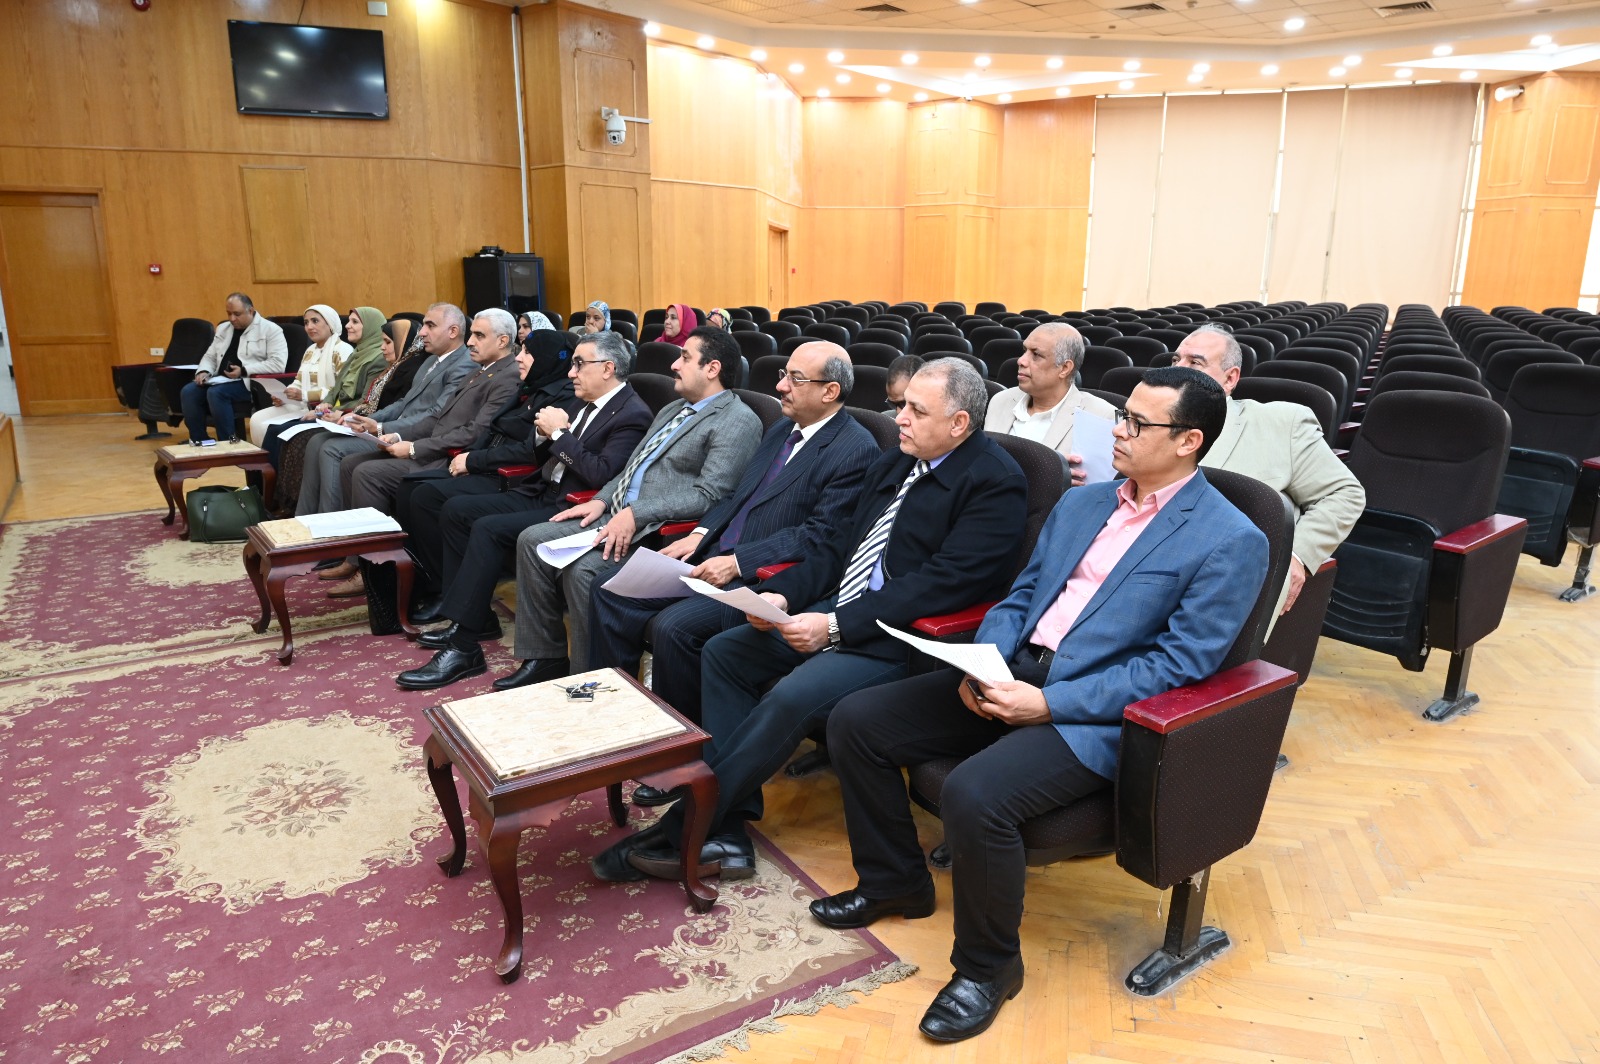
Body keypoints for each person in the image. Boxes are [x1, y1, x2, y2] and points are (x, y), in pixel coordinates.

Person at [814, 367, 1270, 1043]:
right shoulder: (1084, 503)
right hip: (1013, 673)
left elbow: (1175, 668)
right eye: (1122, 415)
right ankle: (894, 882)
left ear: (1188, 441)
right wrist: (985, 663)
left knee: (974, 792)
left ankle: (988, 968)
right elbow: (1021, 596)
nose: (1117, 429)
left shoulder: (1230, 538)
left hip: (1094, 713)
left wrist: (1049, 703)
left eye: (1136, 423)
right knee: (856, 721)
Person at [589, 358, 1028, 887]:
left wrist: (834, 624)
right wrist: (782, 594)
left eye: (916, 410)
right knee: (725, 653)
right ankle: (728, 822)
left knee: (790, 696)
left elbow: (939, 585)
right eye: (902, 406)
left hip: (901, 640)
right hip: (837, 611)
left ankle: (684, 828)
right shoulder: (898, 460)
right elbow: (839, 547)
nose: (900, 418)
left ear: (958, 423)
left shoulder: (995, 482)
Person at [587, 340, 880, 731]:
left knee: (674, 628)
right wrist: (701, 532)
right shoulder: (783, 429)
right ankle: (612, 716)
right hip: (713, 554)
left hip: (758, 578)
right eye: (784, 375)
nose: (780, 386)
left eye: (795, 379)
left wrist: (739, 562)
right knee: (609, 589)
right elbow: (735, 496)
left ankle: (681, 742)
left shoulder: (856, 449)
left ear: (830, 391)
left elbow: (819, 536)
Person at [492, 326, 763, 691]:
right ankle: (545, 657)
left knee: (583, 572)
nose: (674, 364)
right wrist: (602, 499)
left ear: (712, 369)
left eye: (685, 357)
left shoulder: (737, 420)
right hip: (615, 513)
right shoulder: (673, 408)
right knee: (532, 540)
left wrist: (637, 513)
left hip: (655, 530)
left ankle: (591, 679)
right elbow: (630, 468)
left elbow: (711, 495)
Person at [393, 331, 653, 689]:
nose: (572, 373)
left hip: (574, 507)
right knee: (456, 510)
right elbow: (538, 453)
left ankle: (464, 645)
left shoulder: (632, 413)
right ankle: (471, 616)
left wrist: (559, 435)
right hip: (540, 490)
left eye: (580, 364)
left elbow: (601, 474)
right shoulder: (582, 401)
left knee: (487, 529)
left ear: (608, 368)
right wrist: (545, 435)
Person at [1173, 322, 1365, 616]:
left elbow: (1344, 494)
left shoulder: (1280, 425)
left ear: (1230, 378)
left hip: (1224, 586)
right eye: (1175, 360)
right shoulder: (1145, 422)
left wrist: (1296, 555)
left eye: (1195, 363)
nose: (1178, 370)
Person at [397, 326, 580, 612]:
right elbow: (492, 428)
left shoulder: (562, 397)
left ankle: (444, 590)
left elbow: (529, 451)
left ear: (545, 358)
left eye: (528, 352)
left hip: (511, 476)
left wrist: (473, 461)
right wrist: (470, 455)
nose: (519, 357)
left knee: (427, 497)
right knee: (409, 488)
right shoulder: (529, 386)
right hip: (487, 463)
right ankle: (423, 581)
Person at [330, 309, 524, 574]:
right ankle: (355, 558)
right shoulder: (481, 370)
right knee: (351, 464)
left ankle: (375, 569)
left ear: (502, 341)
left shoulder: (507, 375)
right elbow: (437, 417)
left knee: (367, 473)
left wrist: (413, 448)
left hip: (452, 458)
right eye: (472, 334)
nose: (470, 341)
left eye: (479, 335)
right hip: (435, 447)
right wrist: (395, 434)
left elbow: (476, 432)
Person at [296, 303, 473, 521]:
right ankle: (331, 524)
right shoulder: (431, 360)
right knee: (339, 457)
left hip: (419, 440)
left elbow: (437, 414)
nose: (423, 332)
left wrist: (381, 427)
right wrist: (368, 420)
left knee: (339, 454)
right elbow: (403, 402)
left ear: (453, 331)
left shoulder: (463, 365)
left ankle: (340, 528)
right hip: (397, 431)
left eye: (430, 325)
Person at [274, 316, 410, 515]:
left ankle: (327, 518)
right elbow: (341, 391)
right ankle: (303, 515)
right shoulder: (373, 361)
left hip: (381, 429)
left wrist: (347, 415)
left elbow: (390, 406)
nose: (383, 347)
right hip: (355, 419)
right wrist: (331, 408)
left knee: (326, 446)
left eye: (388, 342)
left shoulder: (392, 365)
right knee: (307, 439)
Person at [983, 322, 1115, 486]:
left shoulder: (1101, 417)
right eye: (1024, 351)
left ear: (1064, 368)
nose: (1021, 361)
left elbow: (1097, 490)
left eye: (1036, 355)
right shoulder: (1000, 400)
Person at [180, 292, 288, 444]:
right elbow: (210, 356)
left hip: (249, 382)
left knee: (216, 393)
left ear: (250, 311)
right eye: (229, 313)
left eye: (237, 314)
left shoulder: (271, 330)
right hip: (219, 379)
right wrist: (204, 371)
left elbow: (278, 364)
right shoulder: (223, 328)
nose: (232, 318)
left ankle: (228, 443)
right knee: (189, 391)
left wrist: (244, 370)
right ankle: (200, 441)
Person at [247, 304, 352, 444]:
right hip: (302, 404)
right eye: (306, 322)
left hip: (324, 409)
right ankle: (264, 458)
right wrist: (285, 394)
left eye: (315, 321)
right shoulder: (310, 350)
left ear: (330, 323)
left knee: (270, 428)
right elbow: (299, 380)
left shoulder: (343, 350)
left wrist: (304, 395)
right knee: (257, 419)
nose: (309, 327)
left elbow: (342, 391)